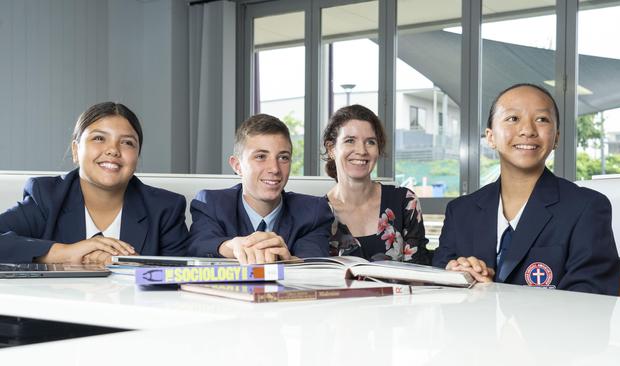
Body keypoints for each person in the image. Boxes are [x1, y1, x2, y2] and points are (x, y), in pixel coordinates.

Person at [432, 83, 620, 295]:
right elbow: (438, 279)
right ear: (491, 136)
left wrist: (493, 293)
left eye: (541, 119)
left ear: (556, 137)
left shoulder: (586, 207)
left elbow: (591, 301)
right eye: (513, 119)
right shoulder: (460, 211)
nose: (528, 130)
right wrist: (458, 274)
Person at [0, 102, 189, 264]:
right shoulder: (46, 196)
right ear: (76, 150)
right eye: (99, 138)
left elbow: (179, 277)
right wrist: (64, 253)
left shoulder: (165, 208)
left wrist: (131, 268)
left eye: (127, 143)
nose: (113, 150)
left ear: (137, 156)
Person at [186, 113, 332, 264]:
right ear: (237, 165)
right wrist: (234, 246)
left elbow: (315, 262)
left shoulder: (314, 211)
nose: (274, 169)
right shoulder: (211, 203)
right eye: (261, 157)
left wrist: (286, 260)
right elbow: (198, 246)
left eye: (283, 157)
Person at [322, 104, 430, 264]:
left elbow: (420, 268)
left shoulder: (405, 201)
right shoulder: (317, 212)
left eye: (370, 142)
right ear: (331, 149)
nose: (361, 150)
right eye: (350, 140)